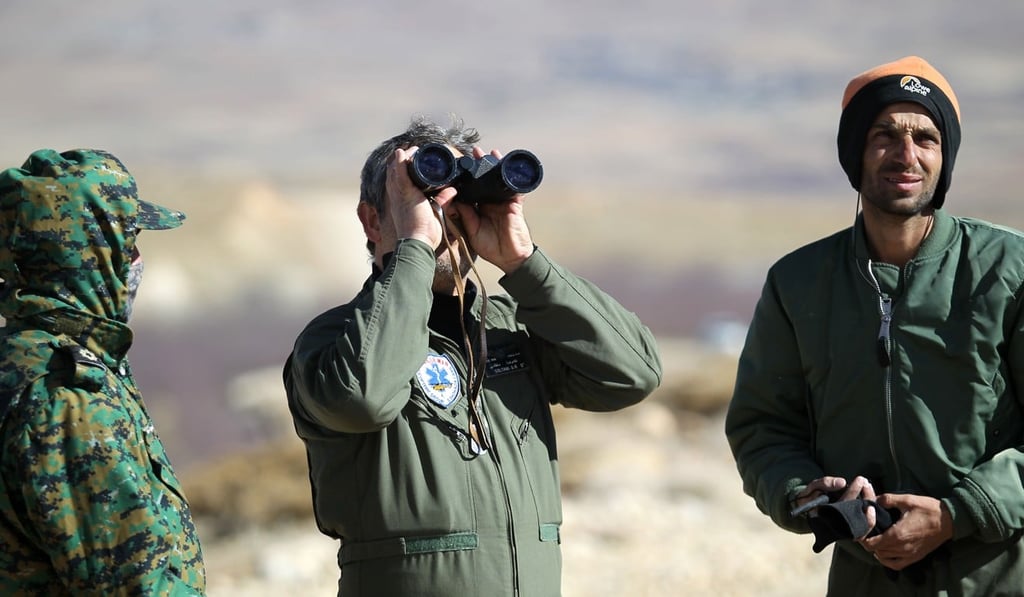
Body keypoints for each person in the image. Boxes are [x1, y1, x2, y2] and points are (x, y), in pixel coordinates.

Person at [282, 115, 662, 596]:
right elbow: (362, 398)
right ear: (373, 220)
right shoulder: (334, 341)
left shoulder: (510, 329)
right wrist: (415, 247)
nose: (448, 218)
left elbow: (633, 374)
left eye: (463, 200)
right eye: (427, 201)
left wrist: (525, 263)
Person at [724, 55, 1024, 595]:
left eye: (926, 138)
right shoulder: (799, 283)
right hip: (865, 581)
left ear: (945, 157)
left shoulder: (1009, 269)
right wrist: (805, 494)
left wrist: (956, 514)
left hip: (1000, 577)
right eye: (884, 136)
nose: (906, 155)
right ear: (854, 153)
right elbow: (763, 428)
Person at [0, 149, 206, 595]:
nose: (137, 259)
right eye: (128, 242)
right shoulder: (69, 403)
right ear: (93, 256)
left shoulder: (22, 359)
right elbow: (135, 586)